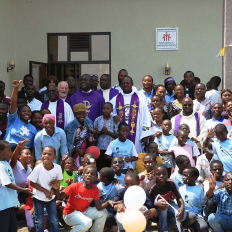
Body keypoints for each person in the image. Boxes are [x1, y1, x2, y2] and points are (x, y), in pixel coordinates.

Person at [51, 165, 114, 232]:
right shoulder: (75, 185)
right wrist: (57, 189)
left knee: (103, 212)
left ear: (96, 178)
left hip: (83, 212)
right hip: (70, 214)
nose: (89, 175)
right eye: (87, 173)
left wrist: (108, 202)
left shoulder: (95, 189)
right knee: (87, 222)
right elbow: (59, 196)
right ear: (83, 175)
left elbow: (99, 207)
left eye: (92, 174)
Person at [111, 76, 154, 153]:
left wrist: (145, 135)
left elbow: (146, 118)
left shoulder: (139, 99)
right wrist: (114, 116)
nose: (125, 85)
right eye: (123, 83)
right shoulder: (115, 99)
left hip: (137, 134)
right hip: (120, 134)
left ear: (132, 84)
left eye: (127, 83)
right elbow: (109, 113)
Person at [149, 164, 195, 232]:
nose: (161, 176)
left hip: (168, 206)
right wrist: (156, 204)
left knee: (183, 216)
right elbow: (148, 204)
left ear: (167, 173)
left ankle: (171, 225)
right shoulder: (151, 187)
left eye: (164, 173)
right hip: (155, 212)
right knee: (163, 203)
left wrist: (181, 208)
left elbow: (179, 198)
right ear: (154, 174)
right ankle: (163, 229)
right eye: (158, 174)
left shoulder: (170, 183)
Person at [28, 146, 63, 232]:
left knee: (54, 219)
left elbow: (56, 183)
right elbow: (32, 183)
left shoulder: (58, 168)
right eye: (44, 154)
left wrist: (52, 190)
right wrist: (45, 191)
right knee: (39, 220)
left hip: (51, 197)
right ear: (41, 155)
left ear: (55, 157)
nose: (46, 156)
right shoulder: (38, 168)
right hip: (38, 197)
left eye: (49, 154)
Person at [0, 140, 33, 232]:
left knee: (13, 227)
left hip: (9, 203)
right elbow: (6, 183)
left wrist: (18, 147)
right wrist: (23, 189)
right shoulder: (0, 165)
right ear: (0, 152)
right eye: (9, 150)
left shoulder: (5, 163)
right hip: (3, 204)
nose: (11, 152)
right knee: (3, 228)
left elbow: (13, 161)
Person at [4, 80, 37, 150]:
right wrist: (15, 88)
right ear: (19, 113)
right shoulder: (13, 119)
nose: (26, 113)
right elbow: (13, 104)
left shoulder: (33, 128)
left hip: (23, 154)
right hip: (9, 150)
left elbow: (33, 146)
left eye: (29, 111)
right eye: (24, 111)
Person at [65, 103, 95, 169]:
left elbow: (91, 136)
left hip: (86, 151)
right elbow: (68, 143)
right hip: (74, 153)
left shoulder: (89, 122)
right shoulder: (70, 126)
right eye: (79, 114)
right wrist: (77, 150)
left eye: (83, 113)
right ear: (75, 114)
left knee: (88, 169)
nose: (82, 116)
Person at [179, 167, 208, 231]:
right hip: (185, 215)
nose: (183, 177)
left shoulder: (199, 189)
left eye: (186, 175)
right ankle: (184, 227)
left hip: (197, 215)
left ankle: (192, 228)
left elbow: (202, 203)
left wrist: (205, 216)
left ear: (194, 178)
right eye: (183, 175)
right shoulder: (181, 189)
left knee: (203, 227)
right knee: (191, 217)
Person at [9, 139, 32, 216]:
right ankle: (13, 215)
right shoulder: (16, 165)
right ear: (19, 156)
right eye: (26, 154)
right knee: (23, 208)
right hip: (12, 195)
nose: (29, 156)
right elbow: (13, 160)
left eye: (30, 154)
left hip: (23, 194)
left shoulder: (30, 169)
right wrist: (18, 147)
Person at [94, 102, 118, 170]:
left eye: (107, 109)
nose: (105, 110)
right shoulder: (97, 120)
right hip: (100, 149)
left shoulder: (114, 120)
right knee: (100, 168)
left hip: (111, 149)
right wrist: (101, 132)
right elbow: (94, 136)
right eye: (104, 109)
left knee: (110, 169)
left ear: (112, 110)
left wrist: (108, 132)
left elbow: (117, 136)